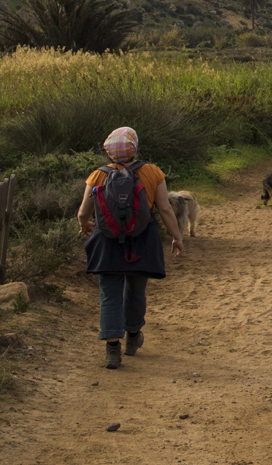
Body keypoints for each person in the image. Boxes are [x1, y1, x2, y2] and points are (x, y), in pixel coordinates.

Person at [77, 126, 184, 369]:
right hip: (141, 240)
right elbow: (165, 209)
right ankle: (133, 336)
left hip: (106, 241)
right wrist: (176, 236)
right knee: (136, 291)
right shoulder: (152, 172)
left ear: (109, 152)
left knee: (109, 294)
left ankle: (112, 351)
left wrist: (84, 225)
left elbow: (83, 212)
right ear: (134, 148)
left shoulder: (97, 176)